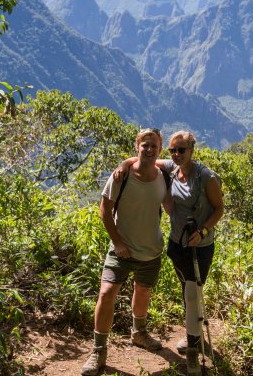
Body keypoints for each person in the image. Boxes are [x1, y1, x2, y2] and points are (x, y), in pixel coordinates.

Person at [116, 130, 224, 375]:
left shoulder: (205, 176)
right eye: (173, 150)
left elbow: (219, 209)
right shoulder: (172, 167)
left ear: (192, 151)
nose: (176, 154)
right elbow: (144, 158)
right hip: (177, 244)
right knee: (187, 292)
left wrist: (204, 231)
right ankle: (193, 335)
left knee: (193, 292)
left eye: (181, 150)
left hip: (200, 246)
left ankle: (194, 347)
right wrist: (125, 163)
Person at [81, 128, 170, 376]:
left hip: (151, 248)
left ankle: (139, 333)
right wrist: (118, 242)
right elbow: (105, 210)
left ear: (160, 150)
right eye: (145, 145)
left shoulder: (164, 174)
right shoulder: (122, 175)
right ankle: (98, 350)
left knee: (143, 290)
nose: (149, 149)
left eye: (154, 146)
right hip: (120, 250)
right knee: (107, 292)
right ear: (137, 147)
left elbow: (171, 205)